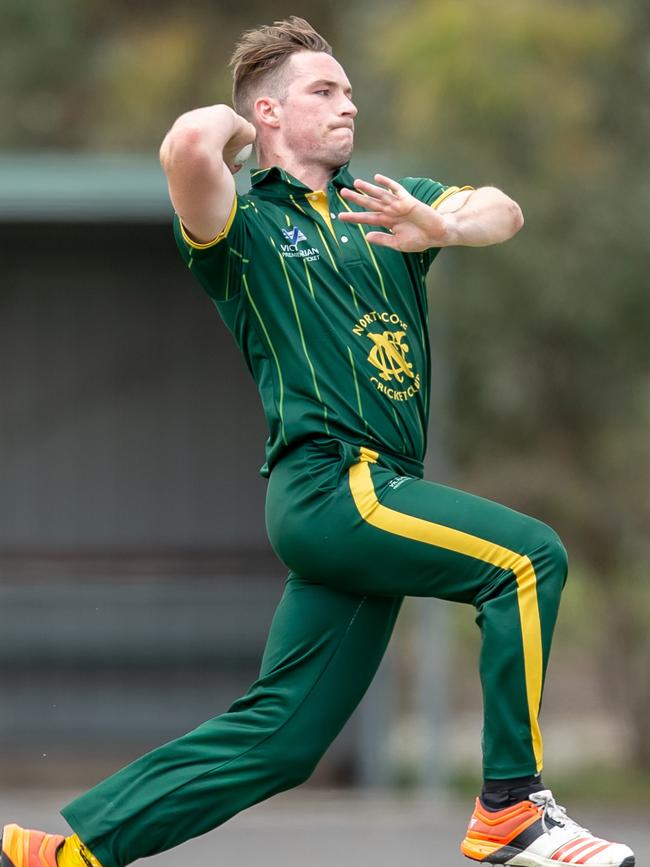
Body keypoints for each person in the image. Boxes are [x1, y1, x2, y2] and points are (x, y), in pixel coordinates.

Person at [2, 16, 635, 867]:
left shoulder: (386, 206)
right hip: (336, 484)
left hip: (373, 496)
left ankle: (67, 852)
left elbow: (503, 210)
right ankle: (511, 808)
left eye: (349, 90)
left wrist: (442, 226)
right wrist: (242, 126)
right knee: (527, 560)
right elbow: (191, 140)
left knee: (282, 738)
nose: (350, 106)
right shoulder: (243, 226)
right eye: (324, 92)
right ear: (268, 113)